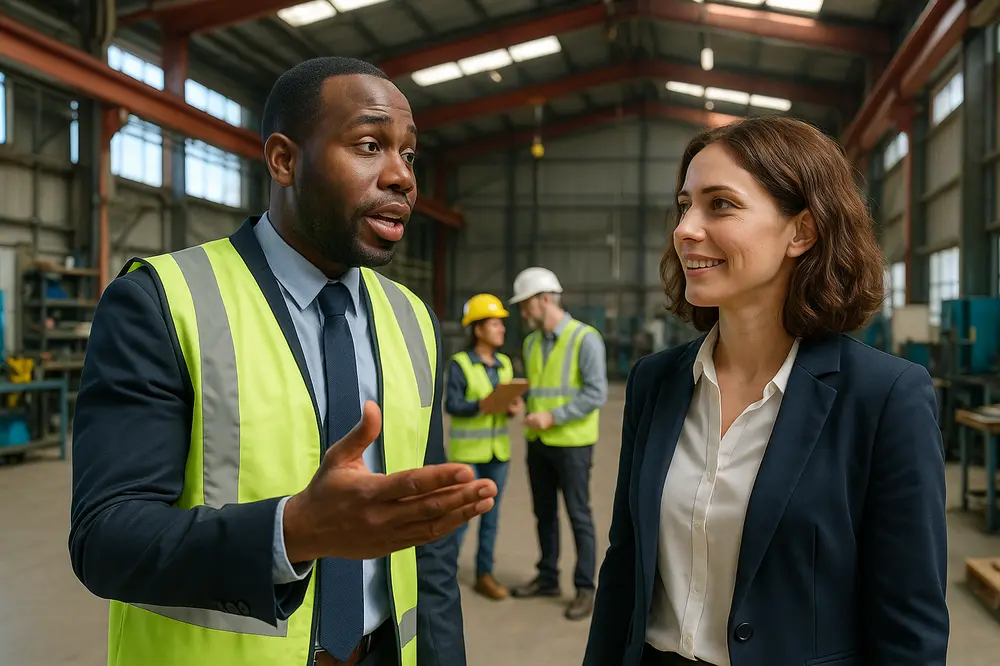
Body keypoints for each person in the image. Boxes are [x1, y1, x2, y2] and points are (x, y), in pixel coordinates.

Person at [68, 57, 499, 666]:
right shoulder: (163, 302)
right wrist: (293, 531)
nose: (402, 176)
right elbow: (105, 539)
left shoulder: (411, 319)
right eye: (370, 145)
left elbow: (424, 541)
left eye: (410, 155)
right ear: (284, 160)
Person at [583, 116, 949, 666]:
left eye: (721, 204)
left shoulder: (884, 398)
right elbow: (625, 566)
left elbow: (909, 628)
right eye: (685, 205)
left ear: (801, 231)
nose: (686, 228)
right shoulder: (655, 382)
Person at [507, 267, 608, 621]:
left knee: (578, 514)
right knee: (544, 513)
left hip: (573, 445)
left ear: (545, 299)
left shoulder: (585, 339)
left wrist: (552, 417)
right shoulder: (531, 342)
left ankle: (584, 588)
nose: (522, 313)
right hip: (538, 443)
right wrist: (524, 405)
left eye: (525, 305)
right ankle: (548, 577)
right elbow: (538, 389)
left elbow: (596, 393)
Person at [445, 293, 524, 600]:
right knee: (461, 519)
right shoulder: (461, 364)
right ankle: (444, 575)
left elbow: (503, 405)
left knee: (491, 518)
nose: (502, 329)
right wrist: (483, 404)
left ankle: (484, 575)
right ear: (478, 329)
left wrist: (511, 406)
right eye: (495, 324)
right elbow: (452, 405)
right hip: (469, 456)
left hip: (497, 453)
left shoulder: (504, 364)